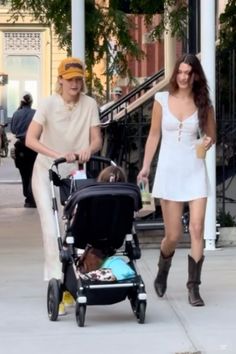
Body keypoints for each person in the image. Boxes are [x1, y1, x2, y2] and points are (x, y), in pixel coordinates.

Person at [137, 53, 216, 307]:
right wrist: (146, 166)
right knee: (172, 235)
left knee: (196, 228)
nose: (183, 77)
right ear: (176, 73)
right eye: (180, 72)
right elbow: (153, 136)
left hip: (194, 171)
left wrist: (206, 141)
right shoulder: (162, 99)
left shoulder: (204, 103)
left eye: (188, 73)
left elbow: (211, 137)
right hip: (169, 172)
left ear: (195, 76)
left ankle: (194, 287)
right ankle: (163, 270)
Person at [25, 57, 103, 315]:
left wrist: (87, 150)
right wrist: (56, 153)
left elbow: (97, 140)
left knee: (74, 231)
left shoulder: (90, 104)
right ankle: (57, 284)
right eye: (70, 80)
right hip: (47, 173)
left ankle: (73, 281)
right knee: (52, 230)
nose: (75, 84)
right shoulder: (47, 104)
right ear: (60, 80)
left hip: (74, 176)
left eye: (79, 79)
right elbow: (30, 139)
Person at [10, 93, 37, 207]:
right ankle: (31, 197)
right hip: (34, 146)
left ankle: (27, 195)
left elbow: (13, 130)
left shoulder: (16, 113)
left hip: (20, 146)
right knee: (33, 172)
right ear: (31, 102)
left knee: (24, 173)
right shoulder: (35, 113)